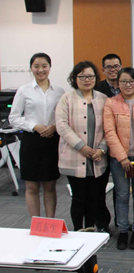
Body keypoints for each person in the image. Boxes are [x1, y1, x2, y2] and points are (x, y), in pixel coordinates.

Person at [55, 61, 109, 231]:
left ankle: (91, 228)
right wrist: (81, 146)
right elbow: (61, 125)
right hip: (75, 156)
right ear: (75, 78)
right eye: (83, 76)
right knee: (79, 197)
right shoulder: (67, 98)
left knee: (94, 197)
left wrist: (102, 148)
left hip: (97, 157)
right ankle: (78, 230)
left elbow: (110, 128)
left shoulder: (103, 99)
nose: (87, 80)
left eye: (91, 76)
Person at [9, 53, 65, 218]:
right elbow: (14, 118)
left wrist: (54, 126)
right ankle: (36, 223)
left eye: (44, 66)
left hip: (52, 140)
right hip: (31, 141)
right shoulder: (24, 91)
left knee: (50, 185)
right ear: (31, 68)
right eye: (36, 66)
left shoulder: (59, 91)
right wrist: (34, 126)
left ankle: (50, 222)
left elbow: (64, 116)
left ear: (50, 67)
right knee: (32, 186)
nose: (41, 70)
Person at [104, 67, 134, 250]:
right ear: (118, 83)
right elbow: (110, 132)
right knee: (122, 195)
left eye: (131, 81)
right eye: (123, 81)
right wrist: (122, 157)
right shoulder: (111, 103)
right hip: (120, 160)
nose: (128, 85)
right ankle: (123, 230)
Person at [94, 53, 122, 233]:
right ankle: (102, 222)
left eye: (116, 66)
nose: (113, 70)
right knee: (100, 187)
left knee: (122, 188)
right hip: (102, 145)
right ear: (103, 70)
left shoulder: (128, 86)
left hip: (124, 146)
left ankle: (121, 220)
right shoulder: (96, 90)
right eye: (109, 67)